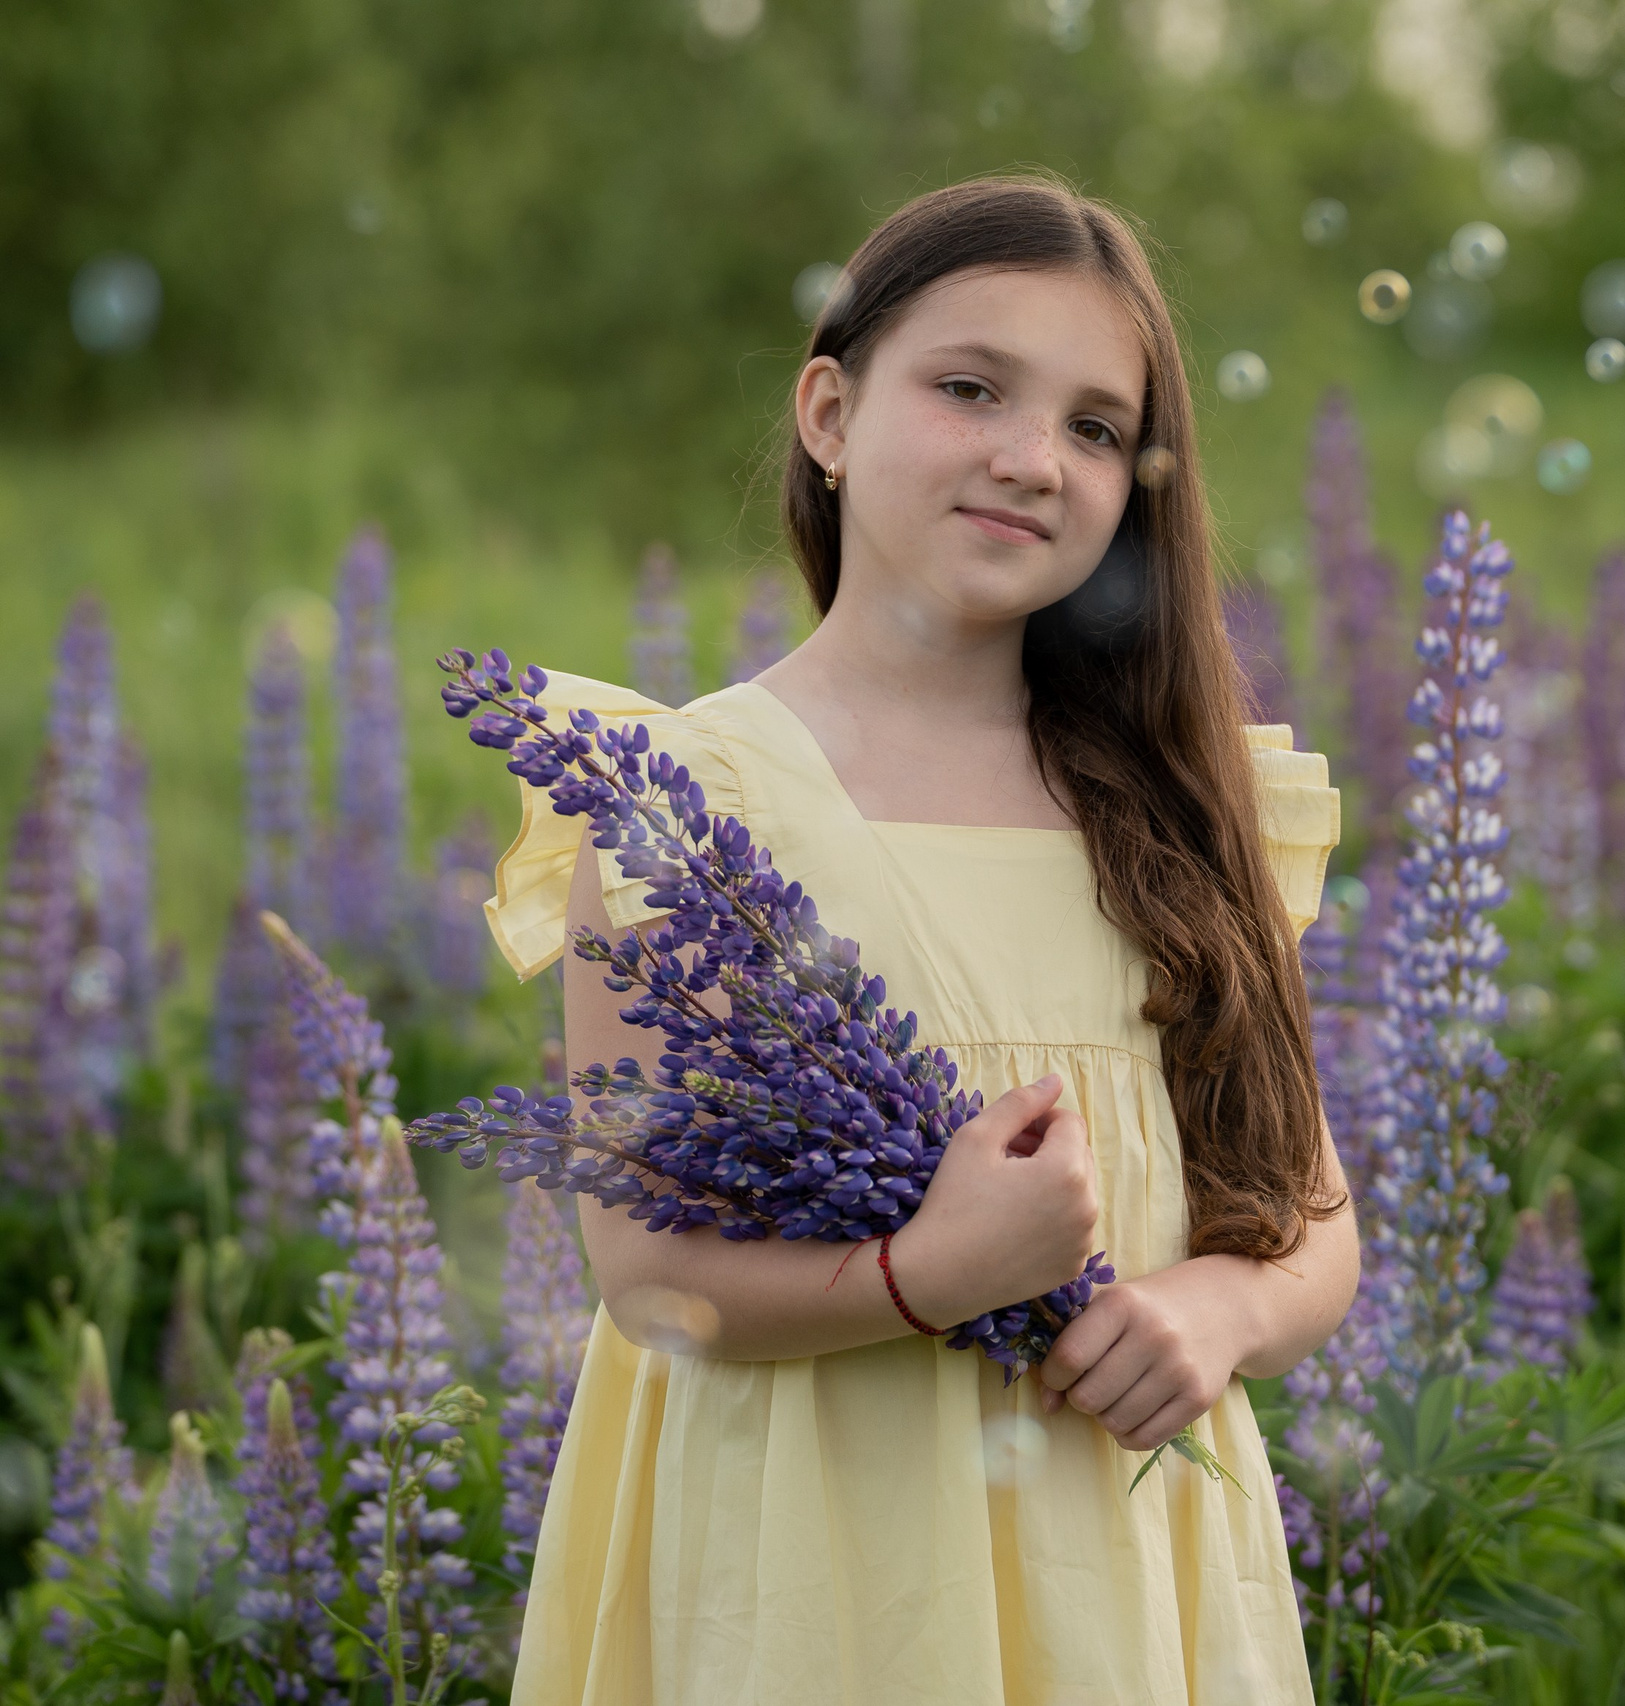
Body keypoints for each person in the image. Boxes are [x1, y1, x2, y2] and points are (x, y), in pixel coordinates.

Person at [484, 170, 1359, 1703]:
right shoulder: (680, 799)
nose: (1032, 458)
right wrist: (927, 1269)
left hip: (1121, 1582)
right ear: (828, 412)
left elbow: (1311, 1218)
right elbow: (645, 1274)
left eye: (1096, 427)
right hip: (814, 1574)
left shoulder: (1180, 808)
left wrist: (1222, 1306)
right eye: (971, 389)